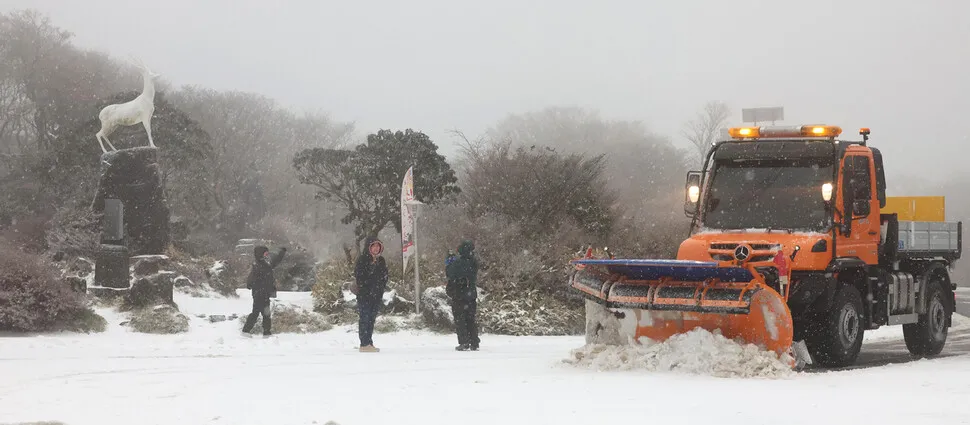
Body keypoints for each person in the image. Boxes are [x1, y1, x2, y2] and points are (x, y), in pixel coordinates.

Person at [243, 245, 287, 336]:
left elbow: (276, 260)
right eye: (265, 253)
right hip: (258, 294)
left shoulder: (267, 264)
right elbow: (251, 280)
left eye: (267, 253)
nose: (267, 255)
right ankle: (246, 331)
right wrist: (252, 284)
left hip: (266, 294)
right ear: (260, 254)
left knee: (266, 314)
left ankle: (267, 332)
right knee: (255, 313)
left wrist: (282, 252)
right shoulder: (257, 266)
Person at [354, 236, 388, 352]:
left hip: (377, 295)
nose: (376, 248)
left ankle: (369, 342)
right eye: (373, 246)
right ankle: (364, 343)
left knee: (371, 319)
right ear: (369, 247)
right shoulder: (363, 259)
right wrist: (368, 287)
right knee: (365, 317)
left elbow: (384, 276)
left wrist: (380, 288)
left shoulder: (381, 260)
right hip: (365, 295)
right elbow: (360, 277)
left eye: (378, 246)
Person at [445, 239, 480, 351]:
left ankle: (464, 342)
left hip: (459, 295)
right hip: (471, 295)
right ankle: (474, 341)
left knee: (460, 319)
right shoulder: (474, 262)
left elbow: (450, 273)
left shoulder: (458, 263)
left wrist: (450, 262)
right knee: (471, 319)